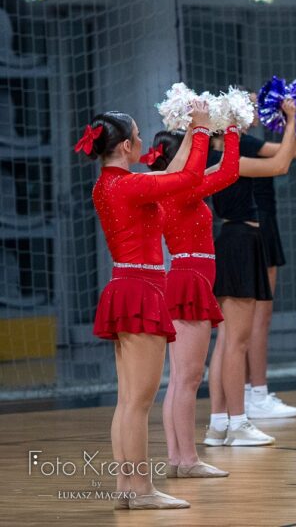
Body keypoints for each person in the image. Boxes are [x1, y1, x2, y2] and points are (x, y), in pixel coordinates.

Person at [79, 100, 210, 509]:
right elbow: (188, 177)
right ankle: (138, 489)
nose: (141, 140)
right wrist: (205, 130)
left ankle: (128, 486)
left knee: (128, 400)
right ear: (124, 148)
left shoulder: (111, 183)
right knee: (138, 402)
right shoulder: (129, 186)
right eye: (136, 135)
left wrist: (189, 134)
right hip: (139, 290)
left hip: (127, 286)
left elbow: (170, 176)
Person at [203, 99, 296, 448]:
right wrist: (291, 121)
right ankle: (239, 423)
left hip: (233, 240)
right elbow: (281, 163)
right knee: (236, 342)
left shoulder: (216, 159)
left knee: (226, 341)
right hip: (241, 242)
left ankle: (218, 424)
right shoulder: (228, 162)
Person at [152, 122, 241, 479]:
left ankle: (177, 458)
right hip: (189, 281)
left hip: (185, 278)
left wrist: (228, 129)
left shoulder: (174, 189)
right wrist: (219, 128)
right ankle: (186, 460)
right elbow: (228, 170)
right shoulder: (180, 192)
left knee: (179, 380)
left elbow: (225, 169)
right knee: (187, 379)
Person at [244, 104, 296, 420]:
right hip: (256, 228)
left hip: (258, 227)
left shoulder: (239, 142)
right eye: (250, 103)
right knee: (257, 319)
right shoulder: (244, 143)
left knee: (249, 322)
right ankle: (256, 393)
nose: (258, 107)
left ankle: (250, 392)